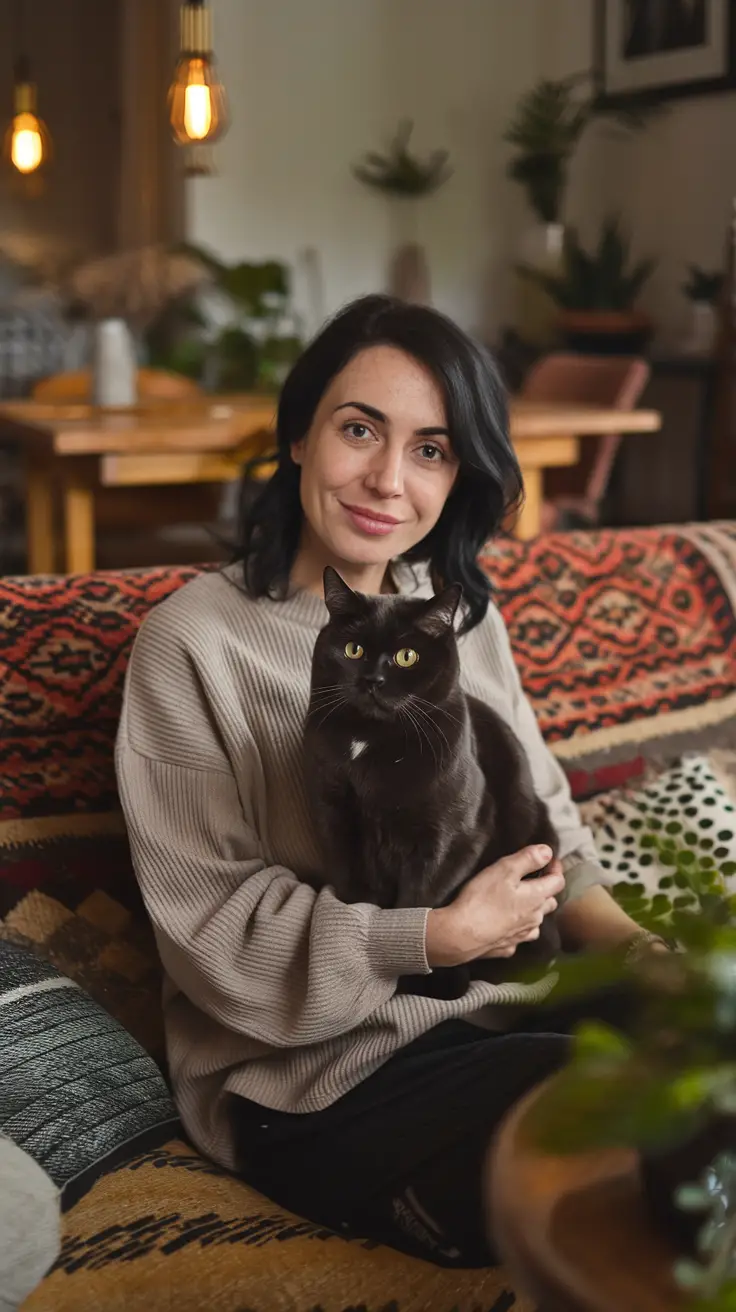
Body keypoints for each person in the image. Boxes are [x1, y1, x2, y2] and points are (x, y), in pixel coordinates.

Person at [116, 295, 665, 1268]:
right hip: (316, 1078)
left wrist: (650, 958)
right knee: (626, 1110)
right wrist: (434, 935)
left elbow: (550, 846)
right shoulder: (193, 643)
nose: (385, 480)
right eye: (359, 429)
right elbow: (212, 926)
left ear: (460, 475)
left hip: (504, 1010)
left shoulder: (455, 618)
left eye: (431, 449)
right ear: (298, 435)